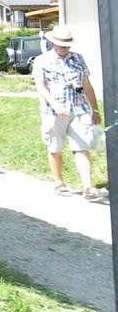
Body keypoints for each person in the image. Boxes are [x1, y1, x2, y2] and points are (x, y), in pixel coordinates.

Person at [32, 24, 107, 200]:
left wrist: (94, 109)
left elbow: (87, 85)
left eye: (67, 45)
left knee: (82, 147)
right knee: (55, 147)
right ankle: (59, 183)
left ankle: (88, 186)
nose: (65, 48)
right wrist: (55, 104)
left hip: (79, 109)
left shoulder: (78, 59)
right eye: (61, 45)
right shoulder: (42, 60)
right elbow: (40, 87)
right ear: (53, 43)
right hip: (52, 112)